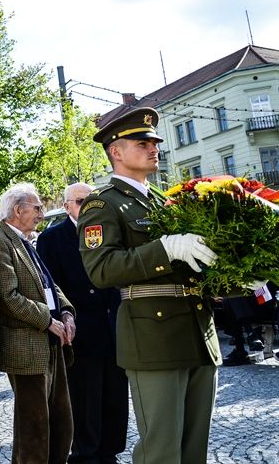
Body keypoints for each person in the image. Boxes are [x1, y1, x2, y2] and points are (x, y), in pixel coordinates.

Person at [78, 107, 220, 464]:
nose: (154, 148)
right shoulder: (102, 203)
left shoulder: (163, 200)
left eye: (154, 142)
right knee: (161, 452)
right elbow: (102, 269)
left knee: (194, 451)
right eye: (142, 143)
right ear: (116, 151)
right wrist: (165, 249)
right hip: (154, 338)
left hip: (198, 331)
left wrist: (234, 279)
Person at [37, 182, 128, 464]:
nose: (86, 206)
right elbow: (50, 287)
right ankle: (85, 455)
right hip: (80, 329)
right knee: (85, 399)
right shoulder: (52, 239)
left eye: (92, 200)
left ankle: (110, 451)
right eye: (79, 201)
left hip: (114, 326)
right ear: (66, 207)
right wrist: (63, 319)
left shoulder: (111, 232)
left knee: (115, 396)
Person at [0, 183, 76, 464]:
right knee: (34, 430)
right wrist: (47, 320)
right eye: (37, 208)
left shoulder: (25, 240)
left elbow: (48, 283)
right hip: (26, 347)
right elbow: (7, 296)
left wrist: (66, 312)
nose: (41, 213)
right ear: (17, 210)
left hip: (51, 341)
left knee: (61, 423)